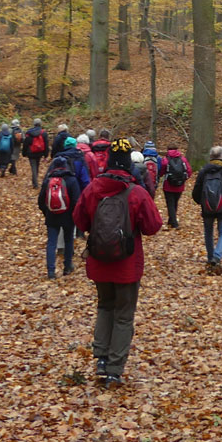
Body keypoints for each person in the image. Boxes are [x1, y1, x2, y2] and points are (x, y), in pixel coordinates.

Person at [72, 136, 162, 387]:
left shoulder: (93, 189)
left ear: (109, 162)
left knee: (104, 307)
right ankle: (114, 368)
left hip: (99, 262)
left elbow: (79, 221)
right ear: (128, 165)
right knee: (123, 315)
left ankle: (101, 358)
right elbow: (153, 226)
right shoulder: (137, 193)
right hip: (127, 265)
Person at [39, 135, 91, 278]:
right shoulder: (72, 179)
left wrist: (47, 211)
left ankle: (50, 271)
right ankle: (67, 267)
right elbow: (76, 199)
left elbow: (40, 199)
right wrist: (75, 214)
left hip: (52, 215)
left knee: (51, 242)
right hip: (68, 215)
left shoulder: (49, 179)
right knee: (68, 240)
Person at [161, 144, 191, 229]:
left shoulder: (165, 160)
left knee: (170, 203)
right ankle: (171, 221)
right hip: (180, 185)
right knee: (175, 203)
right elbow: (189, 171)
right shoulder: (183, 159)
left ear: (168, 149)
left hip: (168, 185)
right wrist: (184, 179)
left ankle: (174, 223)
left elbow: (162, 171)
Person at [24, 118, 49, 187]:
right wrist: (46, 154)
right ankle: (35, 181)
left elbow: (26, 143)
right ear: (40, 124)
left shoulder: (29, 133)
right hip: (39, 152)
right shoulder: (43, 133)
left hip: (31, 152)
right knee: (37, 165)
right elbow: (46, 144)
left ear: (34, 124)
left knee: (33, 166)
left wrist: (24, 153)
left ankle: (35, 182)